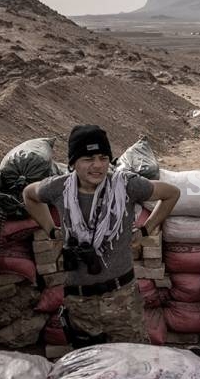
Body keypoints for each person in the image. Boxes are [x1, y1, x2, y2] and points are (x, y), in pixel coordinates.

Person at [23, 125, 180, 346]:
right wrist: (51, 230)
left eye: (103, 157)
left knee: (131, 365)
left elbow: (172, 194)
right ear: (73, 163)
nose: (97, 165)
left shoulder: (126, 185)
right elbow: (29, 195)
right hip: (79, 302)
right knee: (90, 368)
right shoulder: (59, 188)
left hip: (122, 299)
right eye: (88, 158)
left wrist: (145, 230)